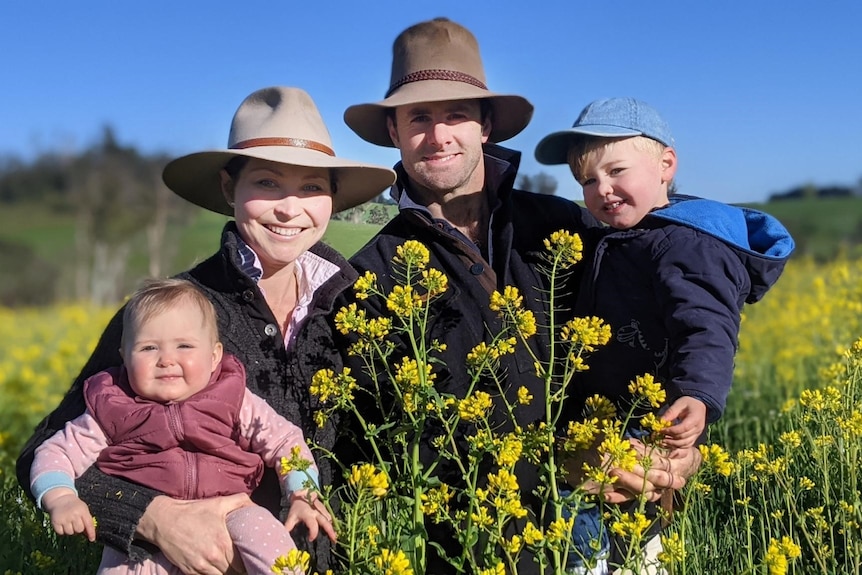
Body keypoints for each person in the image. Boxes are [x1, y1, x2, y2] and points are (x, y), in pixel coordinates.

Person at [340, 18, 702, 573]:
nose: (438, 137)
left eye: (456, 114)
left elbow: (663, 326)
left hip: (614, 520)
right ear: (393, 132)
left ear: (486, 125)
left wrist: (678, 445)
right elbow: (366, 437)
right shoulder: (372, 274)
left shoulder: (570, 229)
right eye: (418, 118)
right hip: (474, 550)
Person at [17, 86, 396, 575]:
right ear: (227, 188)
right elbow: (44, 452)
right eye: (267, 183)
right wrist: (152, 517)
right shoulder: (167, 314)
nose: (289, 208)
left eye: (311, 188)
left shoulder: (359, 307)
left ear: (332, 199)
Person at [535, 97, 795, 573]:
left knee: (621, 516)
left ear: (666, 166)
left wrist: (697, 394)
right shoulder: (621, 234)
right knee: (591, 512)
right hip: (602, 411)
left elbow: (707, 327)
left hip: (649, 415)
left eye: (616, 171)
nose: (602, 190)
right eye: (587, 181)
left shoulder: (687, 244)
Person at [31, 278, 335, 574]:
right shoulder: (112, 406)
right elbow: (56, 452)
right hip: (144, 536)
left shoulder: (234, 398)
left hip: (232, 512)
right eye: (149, 348)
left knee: (269, 542)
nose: (167, 360)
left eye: (185, 346)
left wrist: (302, 494)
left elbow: (285, 442)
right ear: (124, 357)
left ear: (215, 356)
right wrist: (61, 497)